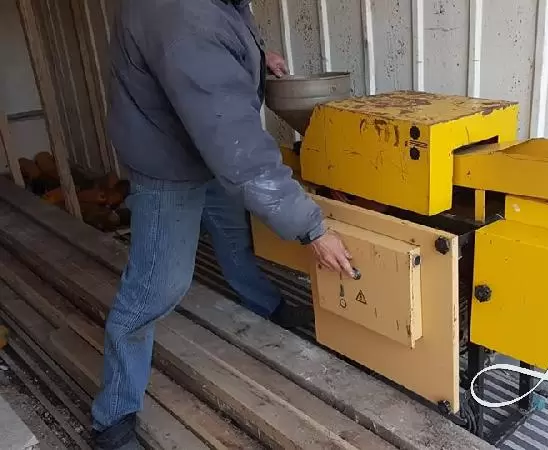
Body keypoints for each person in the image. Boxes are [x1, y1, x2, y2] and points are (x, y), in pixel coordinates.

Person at [90, 0, 355, 448]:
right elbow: (240, 150)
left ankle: (265, 305)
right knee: (154, 290)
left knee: (234, 238)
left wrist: (256, 57)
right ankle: (113, 417)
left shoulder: (212, 9)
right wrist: (313, 228)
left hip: (200, 147)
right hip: (168, 164)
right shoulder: (181, 16)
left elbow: (220, 35)